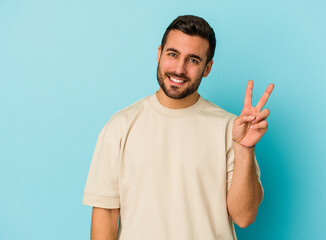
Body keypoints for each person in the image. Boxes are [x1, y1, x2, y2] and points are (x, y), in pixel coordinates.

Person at [83, 15, 274, 240]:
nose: (179, 69)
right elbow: (105, 214)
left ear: (207, 68)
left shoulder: (231, 129)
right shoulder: (120, 126)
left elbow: (244, 217)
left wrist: (245, 149)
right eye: (173, 54)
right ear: (159, 54)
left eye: (193, 60)